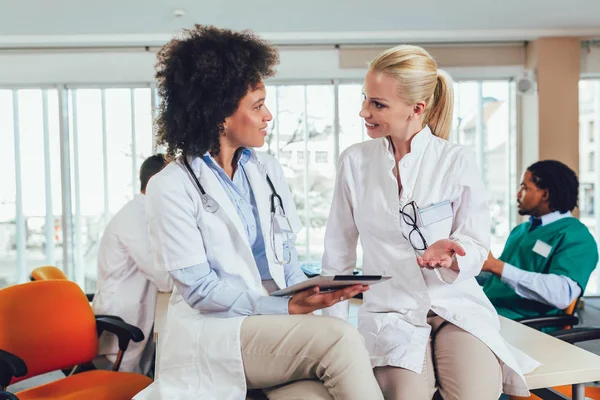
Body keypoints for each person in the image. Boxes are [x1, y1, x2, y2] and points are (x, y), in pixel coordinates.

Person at [133, 25, 383, 400]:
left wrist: (311, 293)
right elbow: (201, 291)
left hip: (269, 323)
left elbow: (286, 259)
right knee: (343, 339)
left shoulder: (266, 169)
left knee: (315, 395)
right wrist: (283, 309)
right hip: (216, 332)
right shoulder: (170, 186)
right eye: (257, 105)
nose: (268, 116)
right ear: (219, 114)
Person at [321, 45, 538, 400]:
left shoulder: (455, 160)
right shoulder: (355, 162)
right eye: (365, 99)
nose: (364, 111)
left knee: (475, 394)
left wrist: (453, 257)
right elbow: (337, 255)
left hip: (455, 305)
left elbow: (476, 243)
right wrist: (331, 338)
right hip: (391, 311)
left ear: (416, 108)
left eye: (378, 104)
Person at [482, 160, 598, 321]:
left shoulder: (577, 237)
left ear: (545, 194)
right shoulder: (521, 231)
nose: (518, 194)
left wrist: (496, 266)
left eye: (525, 187)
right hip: (489, 311)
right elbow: (500, 277)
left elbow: (562, 294)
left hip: (524, 323)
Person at [92, 154, 173, 376]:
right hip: (121, 321)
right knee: (130, 387)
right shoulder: (134, 219)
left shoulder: (148, 213)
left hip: (137, 311)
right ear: (158, 182)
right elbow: (164, 277)